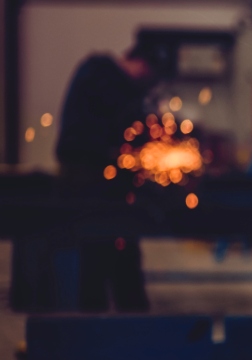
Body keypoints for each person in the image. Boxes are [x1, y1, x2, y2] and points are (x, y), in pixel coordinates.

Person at [54, 41, 167, 312]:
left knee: (119, 252)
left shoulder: (103, 78)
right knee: (101, 256)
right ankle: (103, 326)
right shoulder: (102, 75)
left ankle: (123, 320)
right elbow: (109, 138)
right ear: (142, 65)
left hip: (105, 186)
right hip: (92, 185)